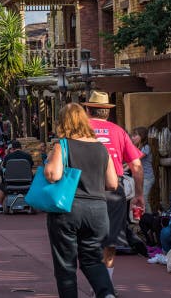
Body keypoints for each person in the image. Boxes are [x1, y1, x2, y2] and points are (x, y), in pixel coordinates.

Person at [44, 103, 118, 298]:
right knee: (93, 260)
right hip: (98, 210)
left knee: (65, 265)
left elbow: (53, 174)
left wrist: (50, 160)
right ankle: (106, 294)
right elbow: (112, 183)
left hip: (69, 208)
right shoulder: (101, 148)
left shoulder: (63, 145)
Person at [84, 90, 144, 284]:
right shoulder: (118, 131)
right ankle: (106, 284)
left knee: (87, 239)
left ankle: (95, 281)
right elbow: (136, 166)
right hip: (112, 190)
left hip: (84, 189)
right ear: (107, 112)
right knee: (111, 239)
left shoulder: (79, 130)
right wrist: (139, 194)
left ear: (88, 110)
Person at [0, 139, 34, 213]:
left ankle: (0, 206)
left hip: (10, 183)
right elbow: (31, 166)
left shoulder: (8, 157)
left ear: (12, 148)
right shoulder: (28, 156)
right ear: (21, 147)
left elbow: (4, 168)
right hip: (26, 182)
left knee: (1, 187)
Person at [131, 127, 154, 212]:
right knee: (136, 199)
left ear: (142, 136)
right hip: (139, 178)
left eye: (135, 135)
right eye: (132, 136)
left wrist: (124, 167)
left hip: (147, 178)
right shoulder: (137, 148)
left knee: (144, 198)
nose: (132, 138)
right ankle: (139, 219)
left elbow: (135, 159)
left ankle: (150, 220)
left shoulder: (146, 147)